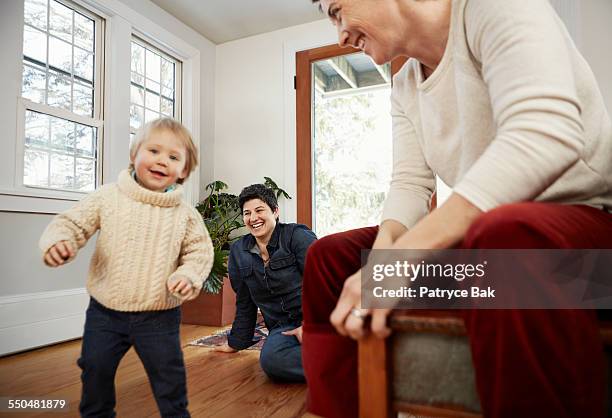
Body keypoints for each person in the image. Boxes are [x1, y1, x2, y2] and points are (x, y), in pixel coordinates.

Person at [303, 0, 612, 417]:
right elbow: (410, 183)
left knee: (506, 237)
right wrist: (385, 255)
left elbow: (545, 132)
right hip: (483, 263)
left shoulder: (493, 8)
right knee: (331, 257)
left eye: (337, 10)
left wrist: (405, 258)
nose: (338, 33)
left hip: (588, 259)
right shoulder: (405, 85)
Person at [39, 117, 214, 418]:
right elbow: (73, 222)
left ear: (183, 171)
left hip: (159, 316)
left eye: (173, 157)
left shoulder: (184, 214)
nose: (162, 161)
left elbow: (200, 251)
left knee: (169, 380)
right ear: (135, 155)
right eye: (154, 151)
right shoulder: (108, 197)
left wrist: (188, 274)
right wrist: (59, 241)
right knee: (95, 369)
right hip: (106, 311)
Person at [214, 184, 317, 383]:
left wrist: (311, 325)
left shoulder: (297, 236)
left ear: (275, 211)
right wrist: (236, 342)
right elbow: (245, 302)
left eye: (259, 210)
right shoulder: (238, 251)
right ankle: (341, 366)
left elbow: (323, 283)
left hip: (318, 319)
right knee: (271, 360)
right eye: (247, 213)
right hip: (283, 327)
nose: (253, 218)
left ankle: (345, 362)